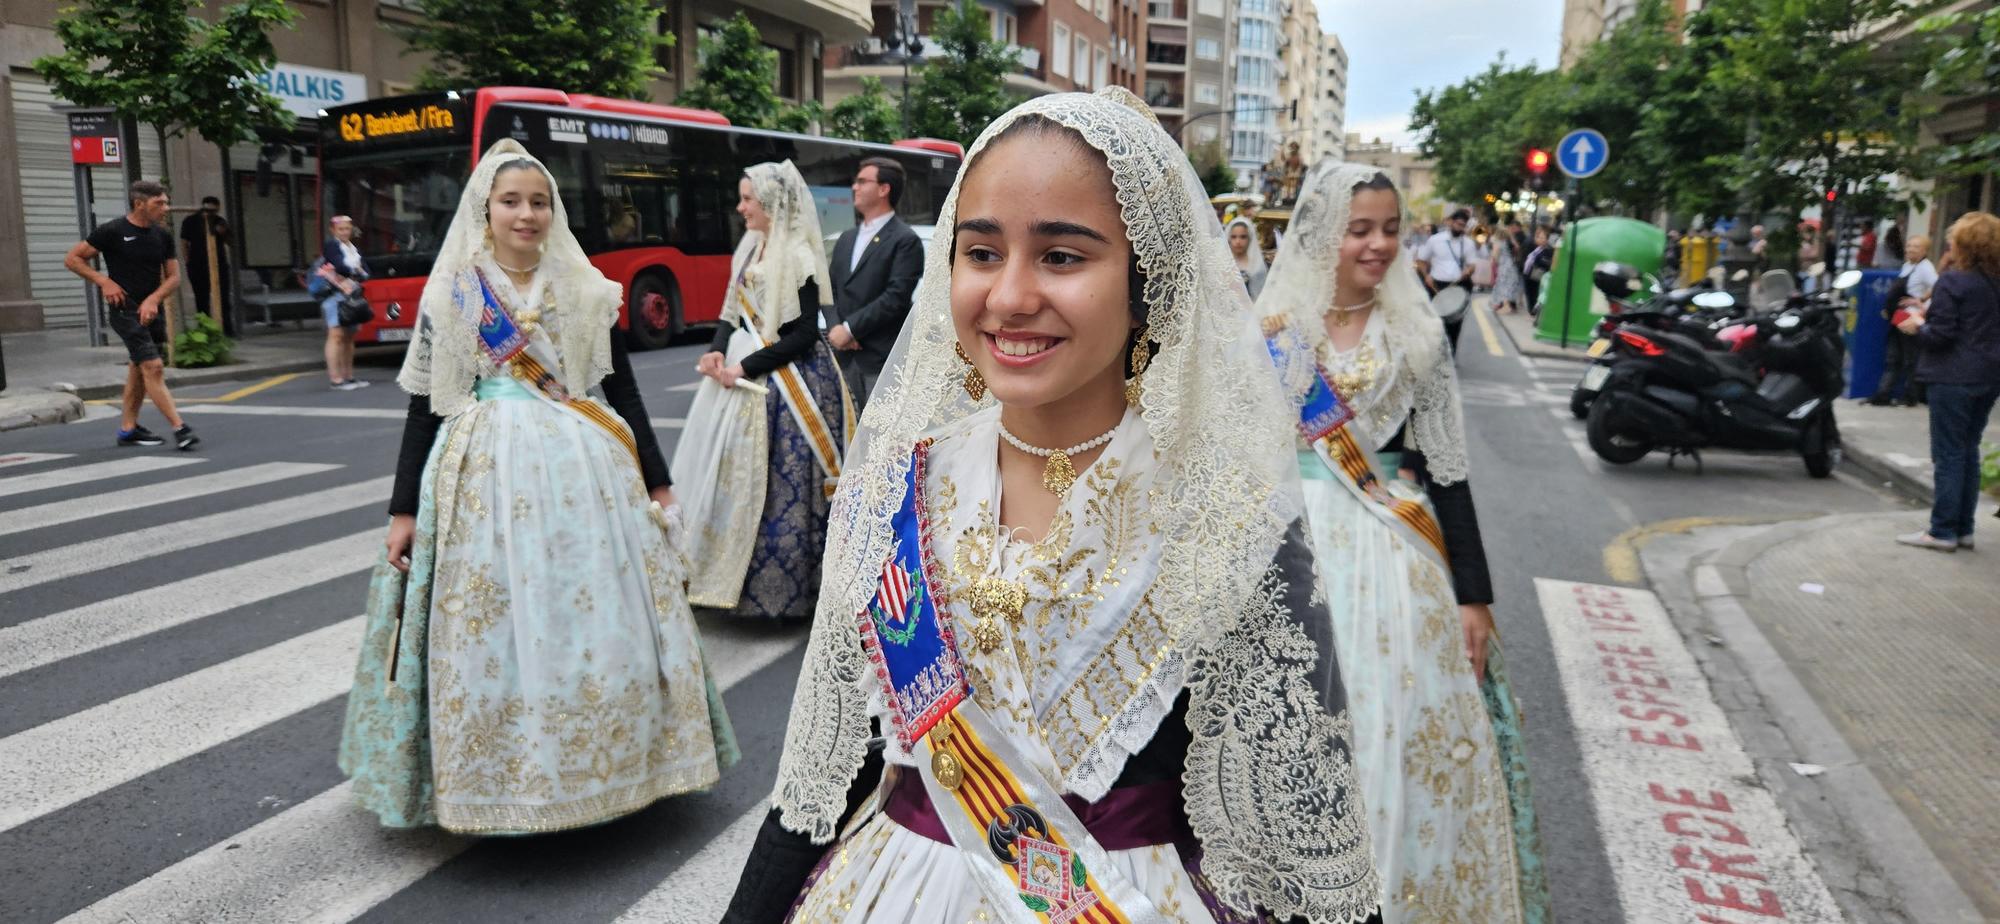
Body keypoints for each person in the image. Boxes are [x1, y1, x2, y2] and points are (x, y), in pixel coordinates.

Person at [720, 87, 1381, 924]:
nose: (1009, 296)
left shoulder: (1227, 515)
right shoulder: (897, 486)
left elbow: (1301, 833)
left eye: (1063, 257)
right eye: (982, 252)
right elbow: (824, 775)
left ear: (1147, 282)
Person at [337, 139, 735, 834]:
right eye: (511, 202)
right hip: (483, 474)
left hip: (589, 478)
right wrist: (402, 509)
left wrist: (660, 484)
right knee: (494, 623)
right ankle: (497, 778)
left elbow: (620, 393)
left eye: (539, 202)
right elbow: (426, 404)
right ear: (484, 211)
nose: (526, 214)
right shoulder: (458, 293)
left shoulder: (586, 291)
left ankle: (607, 770)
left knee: (590, 620)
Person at [1258, 162, 1550, 923]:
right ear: (1324, 235)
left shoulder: (1419, 337)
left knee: (1393, 745)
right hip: (1291, 550)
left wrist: (1474, 598)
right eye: (1360, 229)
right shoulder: (1272, 333)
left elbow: (1449, 472)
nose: (1379, 244)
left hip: (1393, 556)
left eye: (1390, 228)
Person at [675, 160, 850, 620]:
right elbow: (731, 310)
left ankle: (784, 593)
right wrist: (717, 351)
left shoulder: (799, 257)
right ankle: (722, 575)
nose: (741, 207)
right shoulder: (751, 247)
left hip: (789, 382)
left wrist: (745, 367)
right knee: (734, 479)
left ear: (771, 202)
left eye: (748, 198)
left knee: (780, 482)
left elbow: (802, 335)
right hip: (744, 370)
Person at [1894, 211, 2000, 553]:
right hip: (1988, 375)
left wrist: (1916, 327)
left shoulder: (1953, 281)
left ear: (1964, 245)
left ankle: (1941, 530)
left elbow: (1940, 335)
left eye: (1954, 237)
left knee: (1949, 454)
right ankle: (1963, 529)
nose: (1949, 242)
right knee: (1968, 451)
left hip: (1953, 376)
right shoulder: (1994, 281)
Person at [64, 180, 198, 451]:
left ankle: (128, 429)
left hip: (151, 311)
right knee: (153, 366)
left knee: (139, 370)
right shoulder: (113, 230)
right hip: (124, 310)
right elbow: (73, 259)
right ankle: (180, 428)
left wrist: (153, 299)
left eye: (166, 202)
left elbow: (173, 278)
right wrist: (104, 282)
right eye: (159, 203)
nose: (165, 208)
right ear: (139, 204)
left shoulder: (162, 236)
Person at [827, 156, 925, 409]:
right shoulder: (846, 238)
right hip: (844, 358)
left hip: (880, 359)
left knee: (877, 438)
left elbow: (896, 297)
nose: (854, 187)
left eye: (862, 181)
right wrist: (837, 329)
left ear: (884, 189)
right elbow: (830, 290)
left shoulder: (905, 240)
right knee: (847, 433)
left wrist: (850, 329)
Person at [1871, 234, 1938, 407]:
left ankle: (1910, 396)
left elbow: (1938, 285)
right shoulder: (1908, 265)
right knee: (1893, 357)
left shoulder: (1925, 268)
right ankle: (1883, 394)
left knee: (1910, 359)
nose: (1910, 249)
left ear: (1924, 250)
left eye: (1915, 247)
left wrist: (1921, 301)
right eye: (1909, 246)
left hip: (1912, 317)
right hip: (1898, 317)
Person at [316, 215, 371, 390]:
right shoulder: (332, 245)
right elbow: (340, 266)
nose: (345, 232)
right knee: (336, 336)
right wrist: (357, 271)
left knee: (349, 337)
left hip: (352, 295)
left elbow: (368, 271)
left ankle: (349, 376)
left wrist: (356, 271)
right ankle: (336, 379)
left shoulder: (353, 248)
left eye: (347, 229)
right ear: (333, 230)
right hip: (335, 295)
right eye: (341, 229)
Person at [1414, 208, 1474, 349]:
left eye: (1463, 225)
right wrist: (1426, 276)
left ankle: (1451, 354)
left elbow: (1472, 265)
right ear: (1451, 222)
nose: (1460, 228)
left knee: (1455, 324)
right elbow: (1421, 260)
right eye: (1458, 224)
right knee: (1435, 322)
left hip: (1458, 286)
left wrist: (1468, 270)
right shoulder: (1435, 240)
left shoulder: (1468, 243)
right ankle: (1435, 353)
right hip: (1437, 285)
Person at [179, 195, 232, 336]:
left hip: (218, 264)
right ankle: (205, 328)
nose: (209, 214)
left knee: (223, 299)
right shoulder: (190, 221)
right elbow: (184, 242)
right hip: (198, 264)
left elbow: (229, 241)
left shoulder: (220, 221)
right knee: (201, 298)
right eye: (207, 210)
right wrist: (188, 261)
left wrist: (223, 232)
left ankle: (226, 328)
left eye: (213, 211)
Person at [1227, 216, 1268, 297]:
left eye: (1243, 237)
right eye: (1234, 237)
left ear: (1250, 238)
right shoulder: (1221, 264)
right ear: (1229, 239)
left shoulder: (1258, 266)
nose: (1238, 241)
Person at [1490, 220, 1524, 314]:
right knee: (1509, 286)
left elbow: (1495, 255)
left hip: (1503, 266)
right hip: (1512, 265)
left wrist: (1496, 263)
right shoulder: (1508, 242)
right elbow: (1517, 247)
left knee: (1503, 285)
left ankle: (1506, 306)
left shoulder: (1497, 242)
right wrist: (1511, 237)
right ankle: (1507, 305)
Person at [1523, 226, 1555, 316]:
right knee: (1529, 293)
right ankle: (1531, 311)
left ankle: (1534, 312)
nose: (1540, 240)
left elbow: (1548, 264)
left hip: (1537, 275)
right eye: (1539, 237)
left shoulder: (1548, 250)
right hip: (1529, 274)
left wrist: (1538, 263)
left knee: (1534, 293)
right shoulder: (1536, 248)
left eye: (1543, 238)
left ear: (1547, 239)